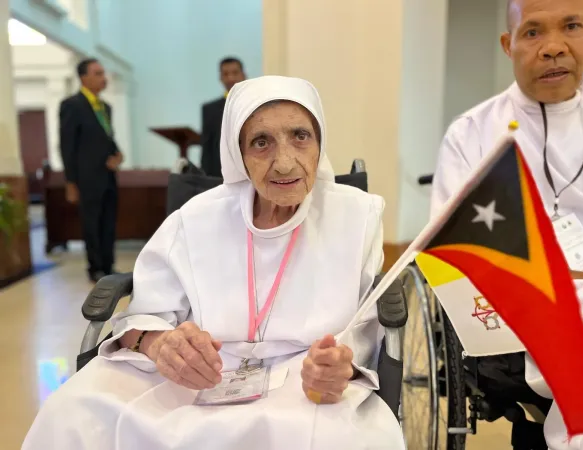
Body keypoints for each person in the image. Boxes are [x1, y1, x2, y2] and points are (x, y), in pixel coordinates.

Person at [23, 76, 404, 449]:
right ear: (238, 154)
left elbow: (366, 326)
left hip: (305, 378)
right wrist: (162, 345)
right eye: (261, 142)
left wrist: (341, 367)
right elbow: (146, 317)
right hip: (199, 373)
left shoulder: (357, 215)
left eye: (300, 136)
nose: (285, 163)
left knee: (352, 437)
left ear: (319, 142)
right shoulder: (195, 218)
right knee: (74, 410)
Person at [431, 0, 583, 448]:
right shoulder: (471, 135)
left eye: (571, 26)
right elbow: (454, 258)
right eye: (533, 33)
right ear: (508, 45)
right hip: (523, 298)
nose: (553, 48)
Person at [59, 58, 124, 283]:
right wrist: (70, 182)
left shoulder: (104, 107)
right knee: (91, 223)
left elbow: (107, 138)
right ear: (84, 78)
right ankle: (95, 267)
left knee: (108, 222)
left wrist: (118, 155)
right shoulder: (72, 105)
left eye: (103, 73)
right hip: (86, 178)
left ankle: (108, 264)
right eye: (97, 73)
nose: (103, 77)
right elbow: (67, 145)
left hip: (108, 176)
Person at [200, 57, 246, 177]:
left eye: (235, 73)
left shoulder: (253, 105)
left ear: (244, 75)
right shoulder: (209, 110)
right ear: (220, 78)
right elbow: (207, 148)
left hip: (248, 171)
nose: (231, 78)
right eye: (226, 74)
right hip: (219, 175)